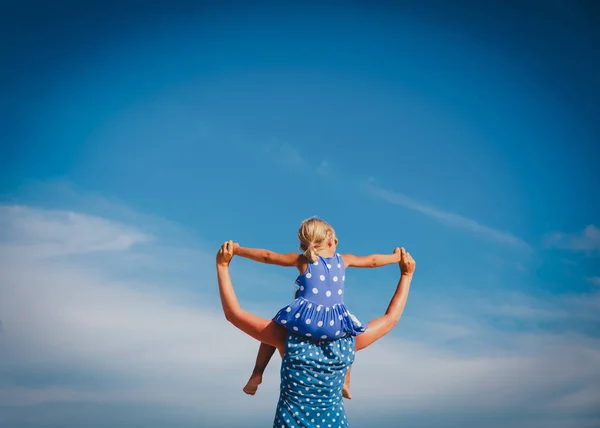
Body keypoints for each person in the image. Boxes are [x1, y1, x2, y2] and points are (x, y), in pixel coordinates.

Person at [216, 240, 416, 428]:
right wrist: (406, 276)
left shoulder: (285, 337)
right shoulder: (348, 341)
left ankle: (257, 374)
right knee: (347, 337)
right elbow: (391, 318)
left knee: (276, 324)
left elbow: (234, 314)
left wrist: (223, 266)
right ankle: (346, 380)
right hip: (334, 422)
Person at [233, 217, 401, 399]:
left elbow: (267, 256)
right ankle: (346, 381)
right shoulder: (344, 260)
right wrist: (396, 257)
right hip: (334, 325)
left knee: (273, 328)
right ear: (330, 240)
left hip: (306, 321)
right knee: (350, 332)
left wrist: (237, 250)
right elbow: (373, 261)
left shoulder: (302, 260)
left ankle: (257, 374)